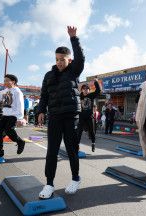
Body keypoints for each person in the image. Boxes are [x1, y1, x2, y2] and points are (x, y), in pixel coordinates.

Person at [38, 26, 85, 199]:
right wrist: (41, 110)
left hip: (71, 115)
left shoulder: (74, 71)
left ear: (69, 60)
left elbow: (81, 58)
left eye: (62, 59)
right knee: (52, 150)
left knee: (72, 149)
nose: (59, 62)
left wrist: (74, 38)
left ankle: (75, 178)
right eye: (57, 59)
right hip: (55, 116)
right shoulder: (48, 75)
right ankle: (49, 183)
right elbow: (43, 95)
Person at [77, 79, 100, 152]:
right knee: (79, 131)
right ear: (82, 90)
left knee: (92, 131)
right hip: (81, 117)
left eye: (87, 89)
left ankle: (93, 143)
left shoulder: (91, 95)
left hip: (90, 117)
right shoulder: (79, 96)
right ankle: (77, 145)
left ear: (89, 90)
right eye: (84, 89)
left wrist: (96, 82)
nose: (86, 90)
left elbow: (98, 90)